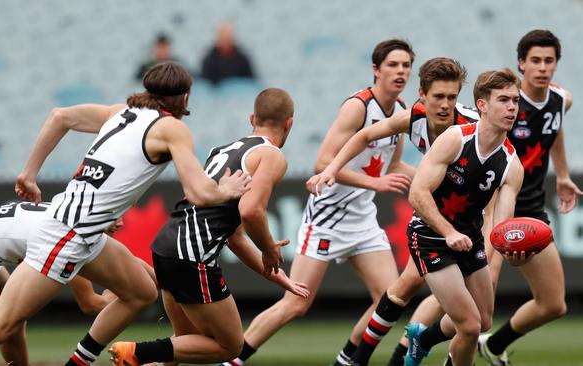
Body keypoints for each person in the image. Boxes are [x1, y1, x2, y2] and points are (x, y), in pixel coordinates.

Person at [0, 61, 250, 366]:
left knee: (139, 292)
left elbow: (60, 116)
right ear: (185, 96)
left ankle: (79, 361)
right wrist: (228, 189)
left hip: (81, 228)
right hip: (68, 234)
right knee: (0, 326)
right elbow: (199, 193)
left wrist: (29, 174)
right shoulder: (172, 128)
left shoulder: (122, 112)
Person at [222, 39, 416, 366]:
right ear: (376, 70)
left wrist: (437, 178)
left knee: (389, 298)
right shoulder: (358, 107)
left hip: (362, 217)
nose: (400, 72)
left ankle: (347, 359)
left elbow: (394, 166)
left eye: (406, 66)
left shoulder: (401, 111)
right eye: (393, 65)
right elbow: (322, 163)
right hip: (327, 215)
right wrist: (375, 182)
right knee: (296, 304)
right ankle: (233, 359)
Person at [108, 87, 310, 365]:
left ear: (252, 118)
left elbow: (236, 237)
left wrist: (277, 276)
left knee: (181, 345)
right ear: (290, 123)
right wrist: (268, 248)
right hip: (192, 255)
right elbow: (251, 211)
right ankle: (137, 352)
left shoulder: (221, 151)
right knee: (230, 346)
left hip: (166, 245)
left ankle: (137, 358)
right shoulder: (272, 156)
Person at [307, 57, 478, 366]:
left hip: (472, 217)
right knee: (454, 310)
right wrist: (331, 170)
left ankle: (397, 351)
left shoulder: (470, 127)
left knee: (469, 310)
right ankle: (371, 358)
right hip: (439, 215)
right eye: (438, 96)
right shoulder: (413, 118)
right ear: (422, 95)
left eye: (451, 97)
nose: (445, 105)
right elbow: (364, 135)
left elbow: (498, 172)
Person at [400, 68, 525, 366]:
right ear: (482, 105)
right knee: (469, 326)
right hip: (430, 236)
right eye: (503, 100)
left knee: (482, 321)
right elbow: (417, 194)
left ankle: (423, 338)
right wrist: (448, 232)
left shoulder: (511, 165)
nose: (512, 108)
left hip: (470, 238)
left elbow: (501, 228)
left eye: (515, 101)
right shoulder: (455, 139)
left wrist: (511, 251)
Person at [476, 29, 580, 366]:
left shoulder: (561, 99)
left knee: (554, 304)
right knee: (482, 292)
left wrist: (562, 175)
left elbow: (556, 127)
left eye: (549, 61)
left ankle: (493, 346)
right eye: (535, 60)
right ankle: (422, 347)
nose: (542, 67)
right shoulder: (506, 104)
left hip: (531, 210)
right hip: (491, 206)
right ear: (521, 63)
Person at [0, 201, 147, 365]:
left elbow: (138, 275)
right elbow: (90, 303)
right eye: (114, 214)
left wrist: (145, 289)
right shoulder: (71, 237)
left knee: (12, 326)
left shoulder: (77, 223)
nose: (120, 222)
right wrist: (128, 302)